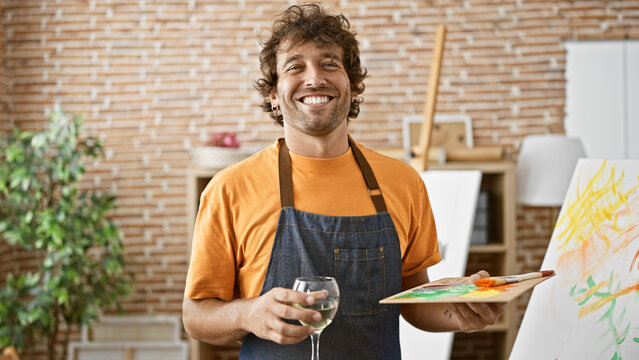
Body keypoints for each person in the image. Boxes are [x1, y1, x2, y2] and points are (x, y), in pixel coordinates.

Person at [183, 3, 505, 359]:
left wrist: (457, 312)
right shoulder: (230, 189)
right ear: (273, 95)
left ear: (353, 86)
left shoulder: (402, 182)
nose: (314, 78)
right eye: (295, 67)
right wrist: (248, 313)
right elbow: (196, 317)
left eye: (329, 64)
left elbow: (413, 301)